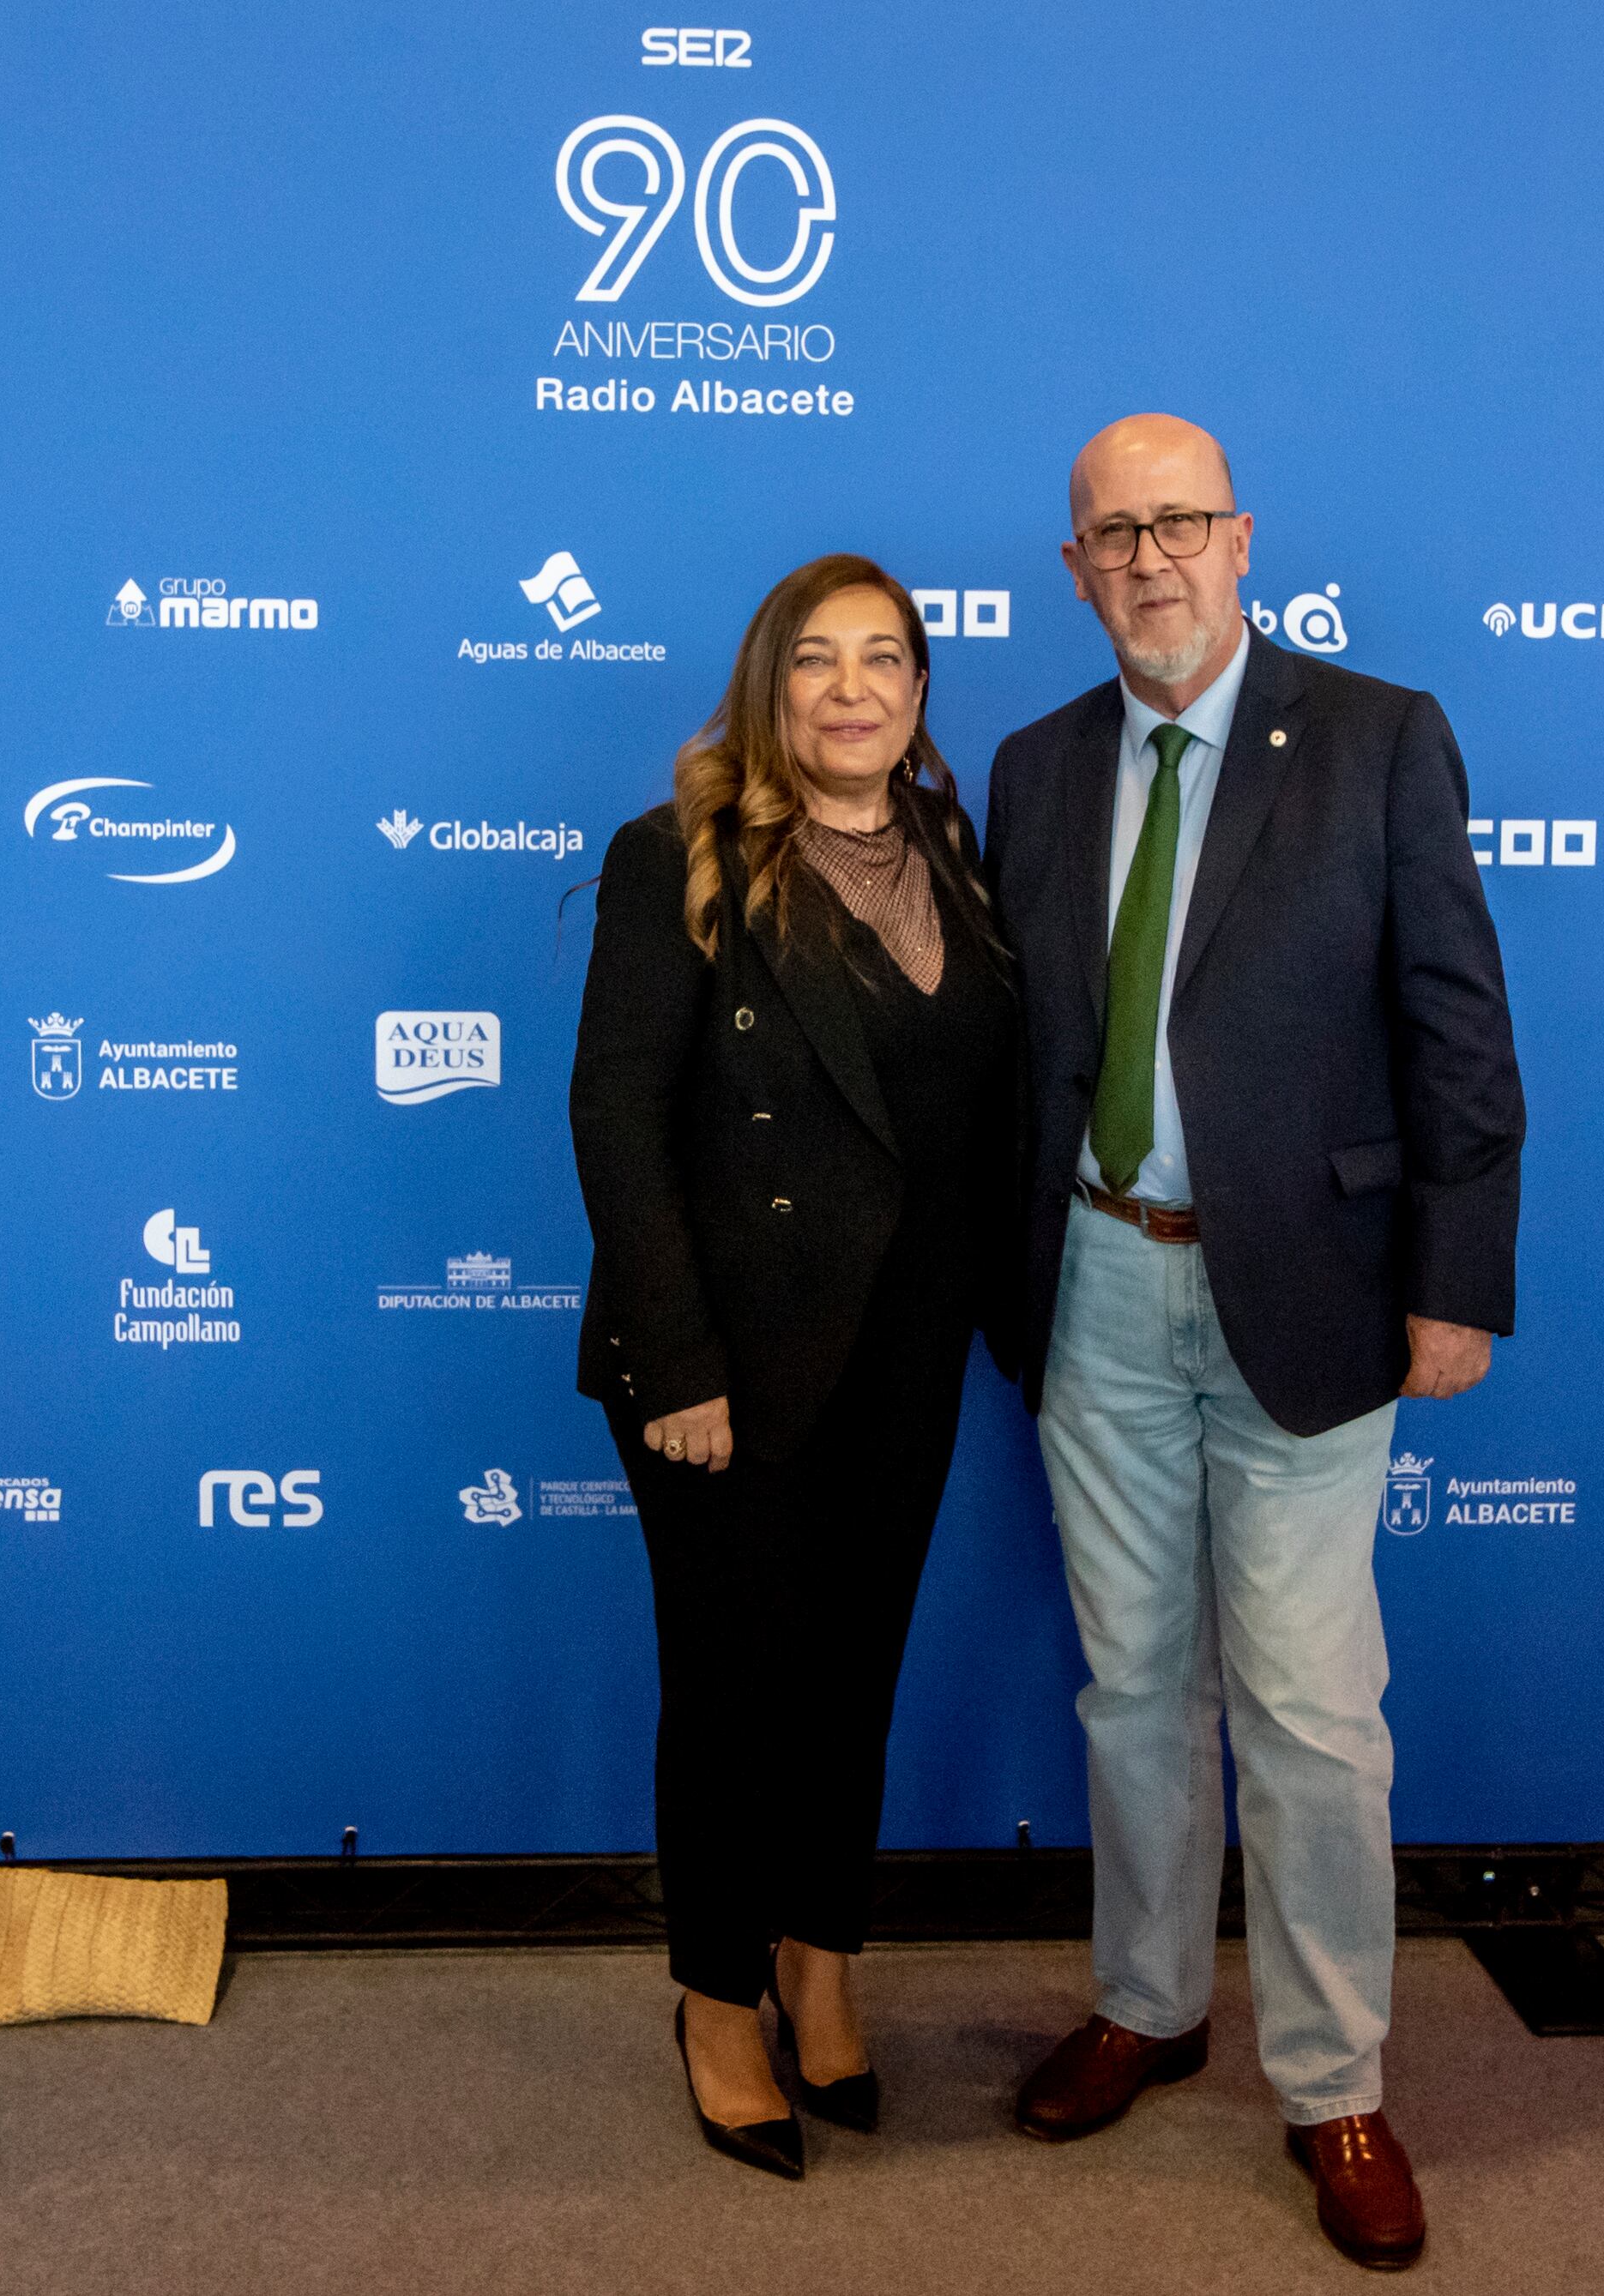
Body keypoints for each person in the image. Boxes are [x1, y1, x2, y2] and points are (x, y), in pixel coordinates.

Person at [983, 416, 1525, 2270]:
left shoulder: (1377, 737)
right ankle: (1146, 2000)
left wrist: (1456, 1279)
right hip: (1095, 1289)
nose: (1148, 560)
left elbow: (1458, 1027)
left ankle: (1333, 2079)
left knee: (1307, 1712)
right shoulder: (1034, 767)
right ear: (1071, 569)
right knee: (1131, 1688)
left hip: (1309, 1293)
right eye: (1110, 534)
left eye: (1180, 524)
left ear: (1241, 538)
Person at [570, 552, 1023, 2180]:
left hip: (904, 1344)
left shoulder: (953, 854)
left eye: (884, 660)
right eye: (816, 660)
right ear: (771, 687)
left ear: (917, 689)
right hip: (725, 1361)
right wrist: (676, 1357)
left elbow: (970, 1126)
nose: (852, 689)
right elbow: (615, 1116)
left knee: (854, 1673)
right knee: (734, 1688)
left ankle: (821, 1960)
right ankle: (712, 1994)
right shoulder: (676, 855)